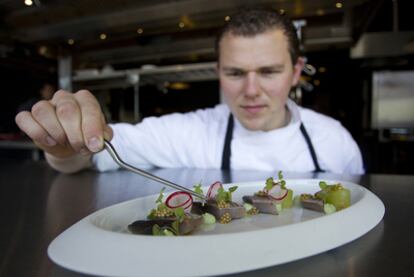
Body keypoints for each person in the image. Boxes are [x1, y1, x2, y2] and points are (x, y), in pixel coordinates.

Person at [14, 9, 364, 175]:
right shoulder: (192, 131)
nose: (251, 90)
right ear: (218, 72)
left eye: (269, 71)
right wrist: (65, 145)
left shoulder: (334, 142)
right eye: (235, 73)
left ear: (296, 72)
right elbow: (96, 153)